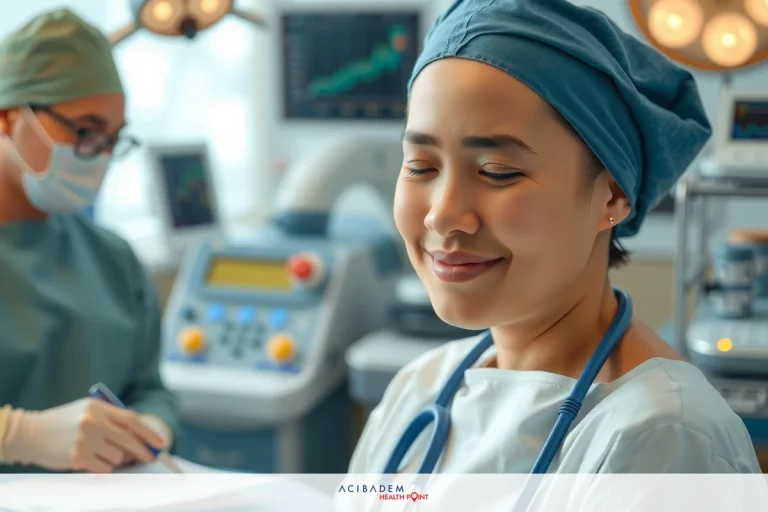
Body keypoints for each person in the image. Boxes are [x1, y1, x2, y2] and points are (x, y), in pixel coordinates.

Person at [349, 0, 761, 473]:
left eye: (497, 172)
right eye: (420, 166)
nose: (443, 216)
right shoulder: (415, 390)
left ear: (610, 197)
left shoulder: (662, 437)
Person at [0, 9, 179, 473]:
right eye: (85, 131)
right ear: (7, 118)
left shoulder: (113, 259)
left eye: (113, 139)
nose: (99, 156)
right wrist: (20, 437)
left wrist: (152, 427)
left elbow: (149, 389)